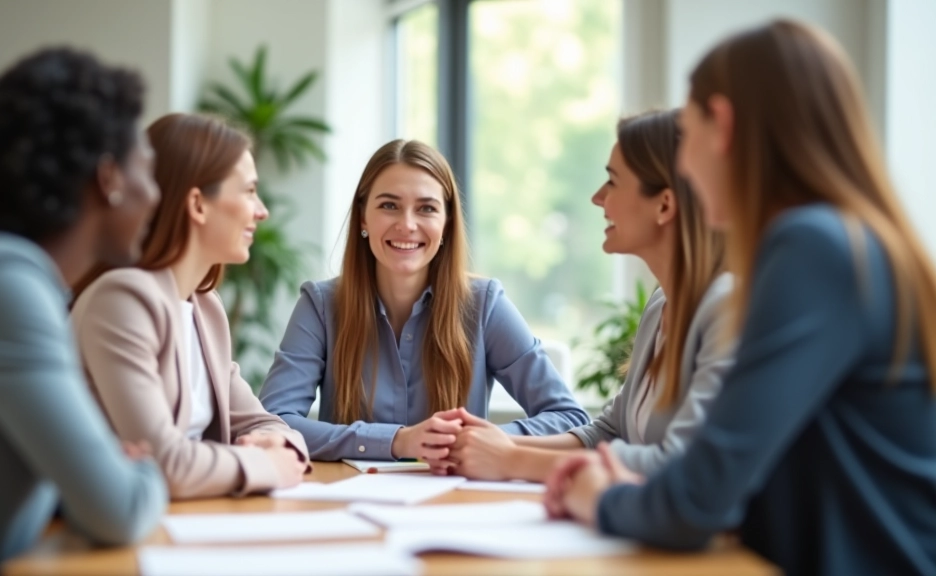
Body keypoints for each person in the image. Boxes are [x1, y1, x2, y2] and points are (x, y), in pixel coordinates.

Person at [544, 20, 936, 576]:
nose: (683, 166)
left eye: (691, 130)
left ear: (722, 125)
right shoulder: (845, 239)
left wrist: (595, 496)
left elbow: (697, 497)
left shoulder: (812, 248)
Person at [0, 48, 167, 575]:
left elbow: (71, 488)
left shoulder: (18, 281)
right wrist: (144, 473)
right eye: (148, 169)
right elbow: (116, 508)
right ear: (109, 178)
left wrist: (106, 471)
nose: (156, 193)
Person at [430, 110, 732, 481]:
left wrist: (513, 461)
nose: (597, 197)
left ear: (664, 205)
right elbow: (607, 432)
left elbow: (681, 464)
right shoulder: (661, 305)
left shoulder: (724, 308)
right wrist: (494, 443)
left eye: (613, 181)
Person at [259, 139, 589, 461]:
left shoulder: (485, 304)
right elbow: (272, 424)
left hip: (455, 503)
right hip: (348, 502)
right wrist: (397, 441)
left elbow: (569, 417)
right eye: (389, 205)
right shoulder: (319, 305)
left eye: (426, 208)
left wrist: (487, 440)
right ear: (363, 217)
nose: (407, 225)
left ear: (446, 223)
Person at [71, 113, 309, 500]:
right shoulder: (121, 301)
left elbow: (264, 421)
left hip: (191, 521)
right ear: (198, 204)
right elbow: (163, 465)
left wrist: (277, 446)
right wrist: (265, 465)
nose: (261, 211)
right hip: (116, 538)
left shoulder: (205, 309)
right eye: (249, 191)